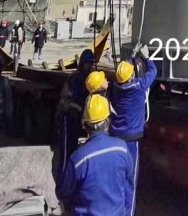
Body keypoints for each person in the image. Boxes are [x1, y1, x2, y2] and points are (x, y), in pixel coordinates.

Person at [55, 94, 133, 216]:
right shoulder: (122, 148)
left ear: (85, 124)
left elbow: (63, 193)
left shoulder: (78, 158)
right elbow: (128, 179)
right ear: (108, 120)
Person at [107, 48, 157, 215]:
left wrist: (131, 56)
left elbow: (123, 73)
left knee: (117, 177)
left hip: (116, 136)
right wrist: (146, 57)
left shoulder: (115, 87)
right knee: (130, 180)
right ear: (131, 76)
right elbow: (153, 72)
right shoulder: (138, 87)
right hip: (131, 140)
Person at [53, 47, 96, 182]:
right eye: (89, 64)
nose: (91, 67)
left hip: (73, 119)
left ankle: (68, 181)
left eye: (92, 64)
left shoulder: (81, 78)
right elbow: (77, 103)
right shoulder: (78, 79)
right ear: (83, 63)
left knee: (71, 150)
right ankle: (62, 183)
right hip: (67, 118)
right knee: (66, 153)